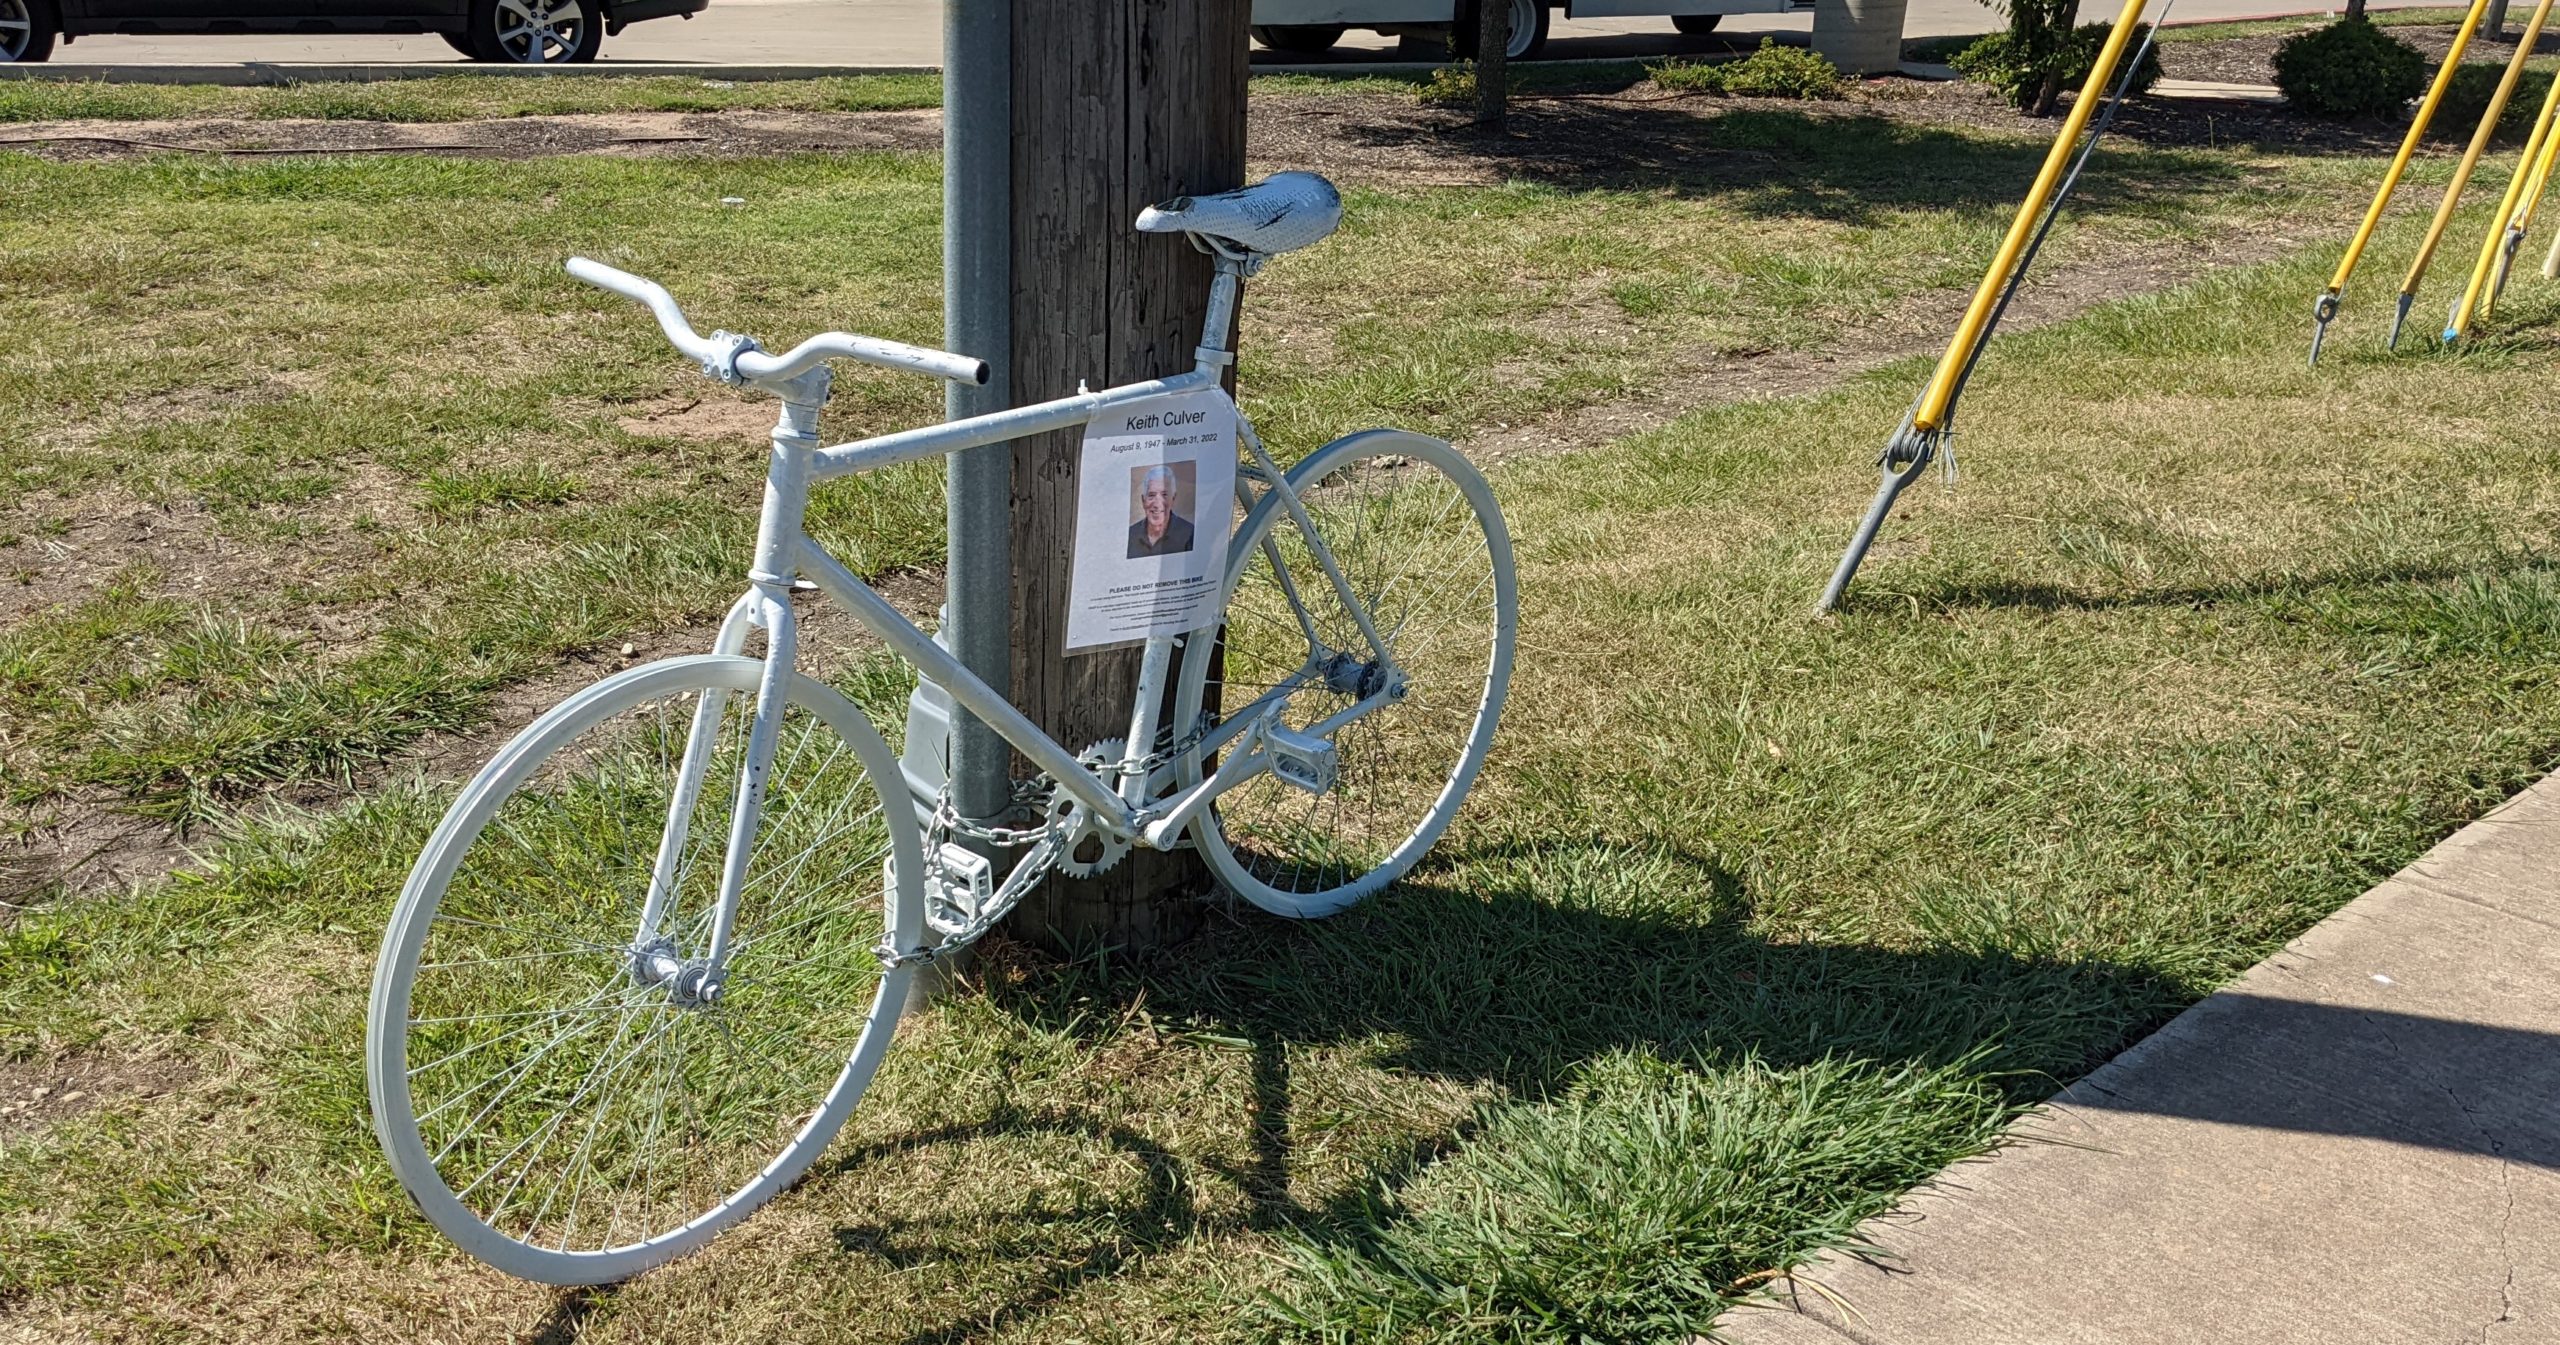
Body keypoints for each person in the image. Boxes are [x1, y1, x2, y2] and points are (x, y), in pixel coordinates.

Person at [1126, 464, 1194, 558]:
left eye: (1164, 494)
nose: (1157, 504)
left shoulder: (1189, 533)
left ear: (1173, 498)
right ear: (1143, 500)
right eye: (1151, 495)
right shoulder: (1130, 534)